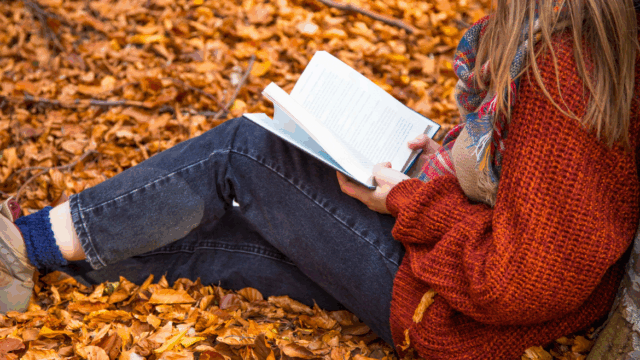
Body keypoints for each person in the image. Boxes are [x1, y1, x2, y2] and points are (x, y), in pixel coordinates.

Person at [2, 0, 640, 358]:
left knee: (245, 152)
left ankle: (22, 245)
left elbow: (519, 281)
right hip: (455, 296)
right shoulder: (567, 42)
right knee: (239, 233)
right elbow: (526, 187)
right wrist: (444, 156)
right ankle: (40, 268)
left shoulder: (564, 70)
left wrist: (408, 201)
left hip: (454, 315)